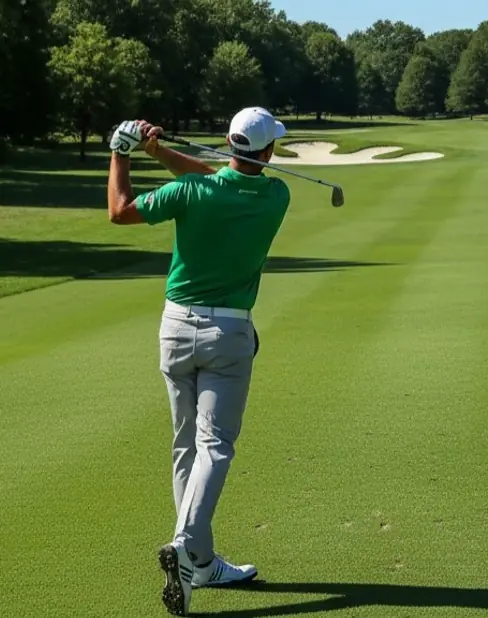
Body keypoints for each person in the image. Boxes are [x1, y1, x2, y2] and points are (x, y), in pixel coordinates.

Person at [106, 108, 292, 616]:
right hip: (229, 332)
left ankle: (201, 562)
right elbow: (219, 180)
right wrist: (158, 152)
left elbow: (120, 210)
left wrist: (122, 154)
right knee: (216, 445)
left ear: (228, 144)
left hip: (174, 327)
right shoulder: (277, 196)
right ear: (268, 152)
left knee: (186, 444)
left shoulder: (192, 192)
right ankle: (188, 546)